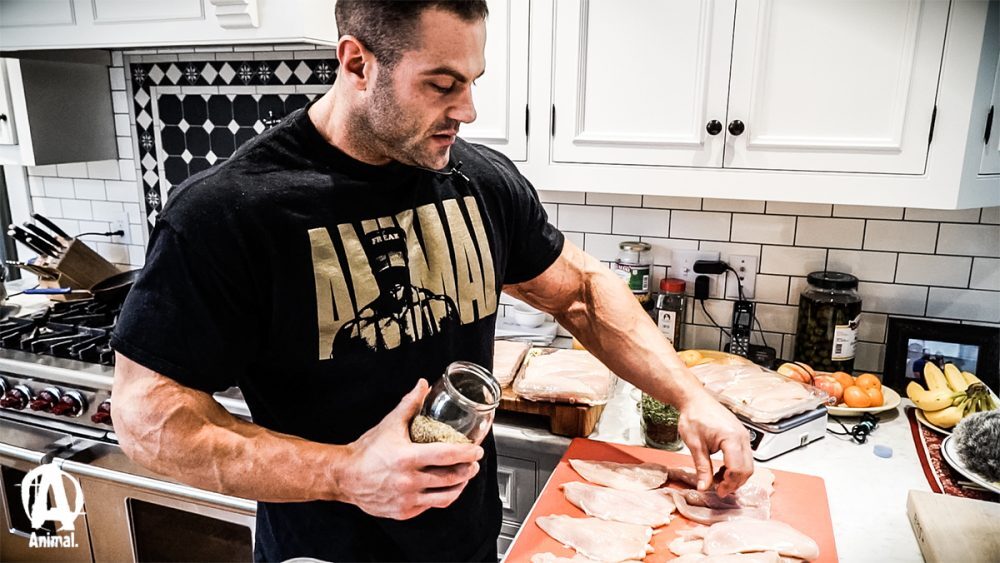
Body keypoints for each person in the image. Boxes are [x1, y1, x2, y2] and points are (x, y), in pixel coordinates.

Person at [110, 1, 753, 561]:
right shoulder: (230, 212)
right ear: (357, 63)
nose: (466, 110)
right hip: (324, 551)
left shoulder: (478, 181)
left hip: (466, 544)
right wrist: (343, 472)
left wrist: (691, 397)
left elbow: (581, 292)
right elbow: (147, 419)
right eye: (441, 85)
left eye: (471, 83)